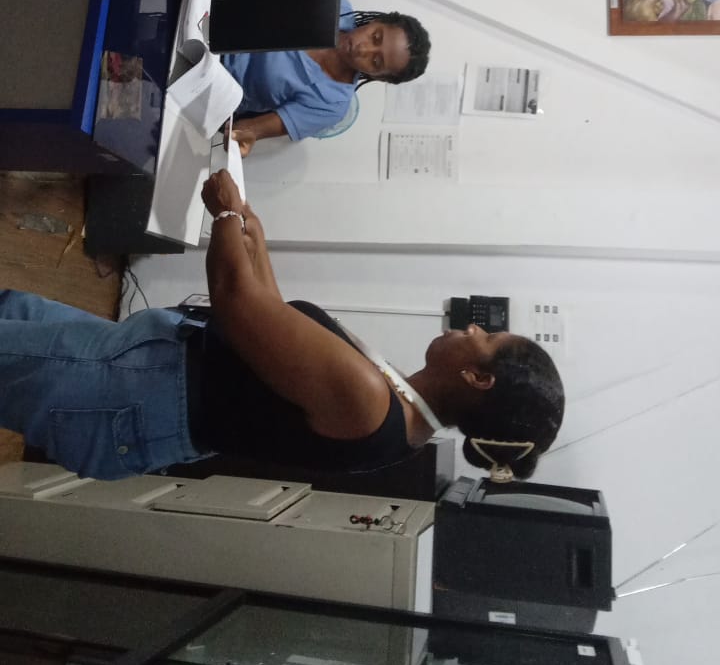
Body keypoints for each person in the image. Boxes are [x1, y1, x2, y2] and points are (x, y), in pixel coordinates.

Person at [0, 170, 564, 483]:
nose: (471, 330)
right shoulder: (395, 410)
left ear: (478, 378)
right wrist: (255, 235)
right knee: (12, 312)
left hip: (128, 391)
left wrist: (225, 214)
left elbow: (237, 302)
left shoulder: (371, 401)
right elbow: (271, 316)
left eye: (486, 339)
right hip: (134, 375)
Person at [223, 0, 431, 155]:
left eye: (376, 62)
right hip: (221, 16)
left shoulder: (332, 104)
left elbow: (249, 130)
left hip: (216, 85)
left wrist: (241, 137)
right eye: (375, 37)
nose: (363, 50)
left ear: (379, 76)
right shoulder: (336, 7)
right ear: (376, 21)